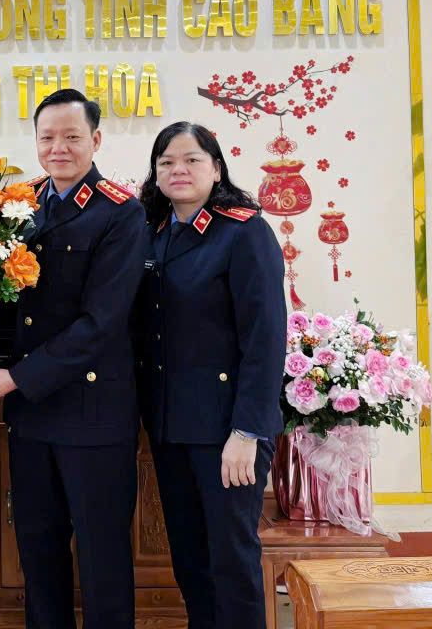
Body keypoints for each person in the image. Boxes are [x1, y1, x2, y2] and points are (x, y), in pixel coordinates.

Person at [0, 88, 147, 629]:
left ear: (96, 139)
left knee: (101, 555)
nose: (58, 148)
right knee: (38, 550)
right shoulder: (19, 204)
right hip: (32, 413)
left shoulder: (121, 213)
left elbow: (101, 323)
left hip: (93, 412)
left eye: (71, 136)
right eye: (47, 137)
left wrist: (18, 376)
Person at [135, 121, 287, 629]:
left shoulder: (243, 232)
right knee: (190, 557)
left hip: (228, 431)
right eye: (166, 163)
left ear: (216, 169)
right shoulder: (154, 234)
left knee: (231, 558)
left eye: (192, 160)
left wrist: (248, 431)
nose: (178, 170)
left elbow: (265, 341)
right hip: (171, 427)